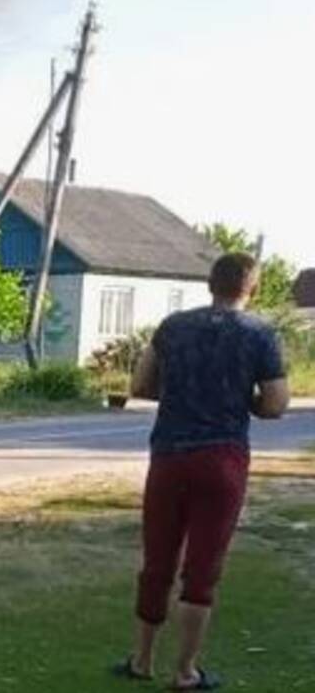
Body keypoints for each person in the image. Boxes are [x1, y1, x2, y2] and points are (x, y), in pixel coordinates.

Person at [113, 252, 290, 690]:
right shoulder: (261, 334)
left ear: (209, 283)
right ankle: (185, 670)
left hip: (170, 454)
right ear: (253, 288)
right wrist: (239, 400)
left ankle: (142, 659)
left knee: (157, 561)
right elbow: (275, 404)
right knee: (202, 567)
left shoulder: (173, 327)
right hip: (223, 458)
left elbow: (140, 385)